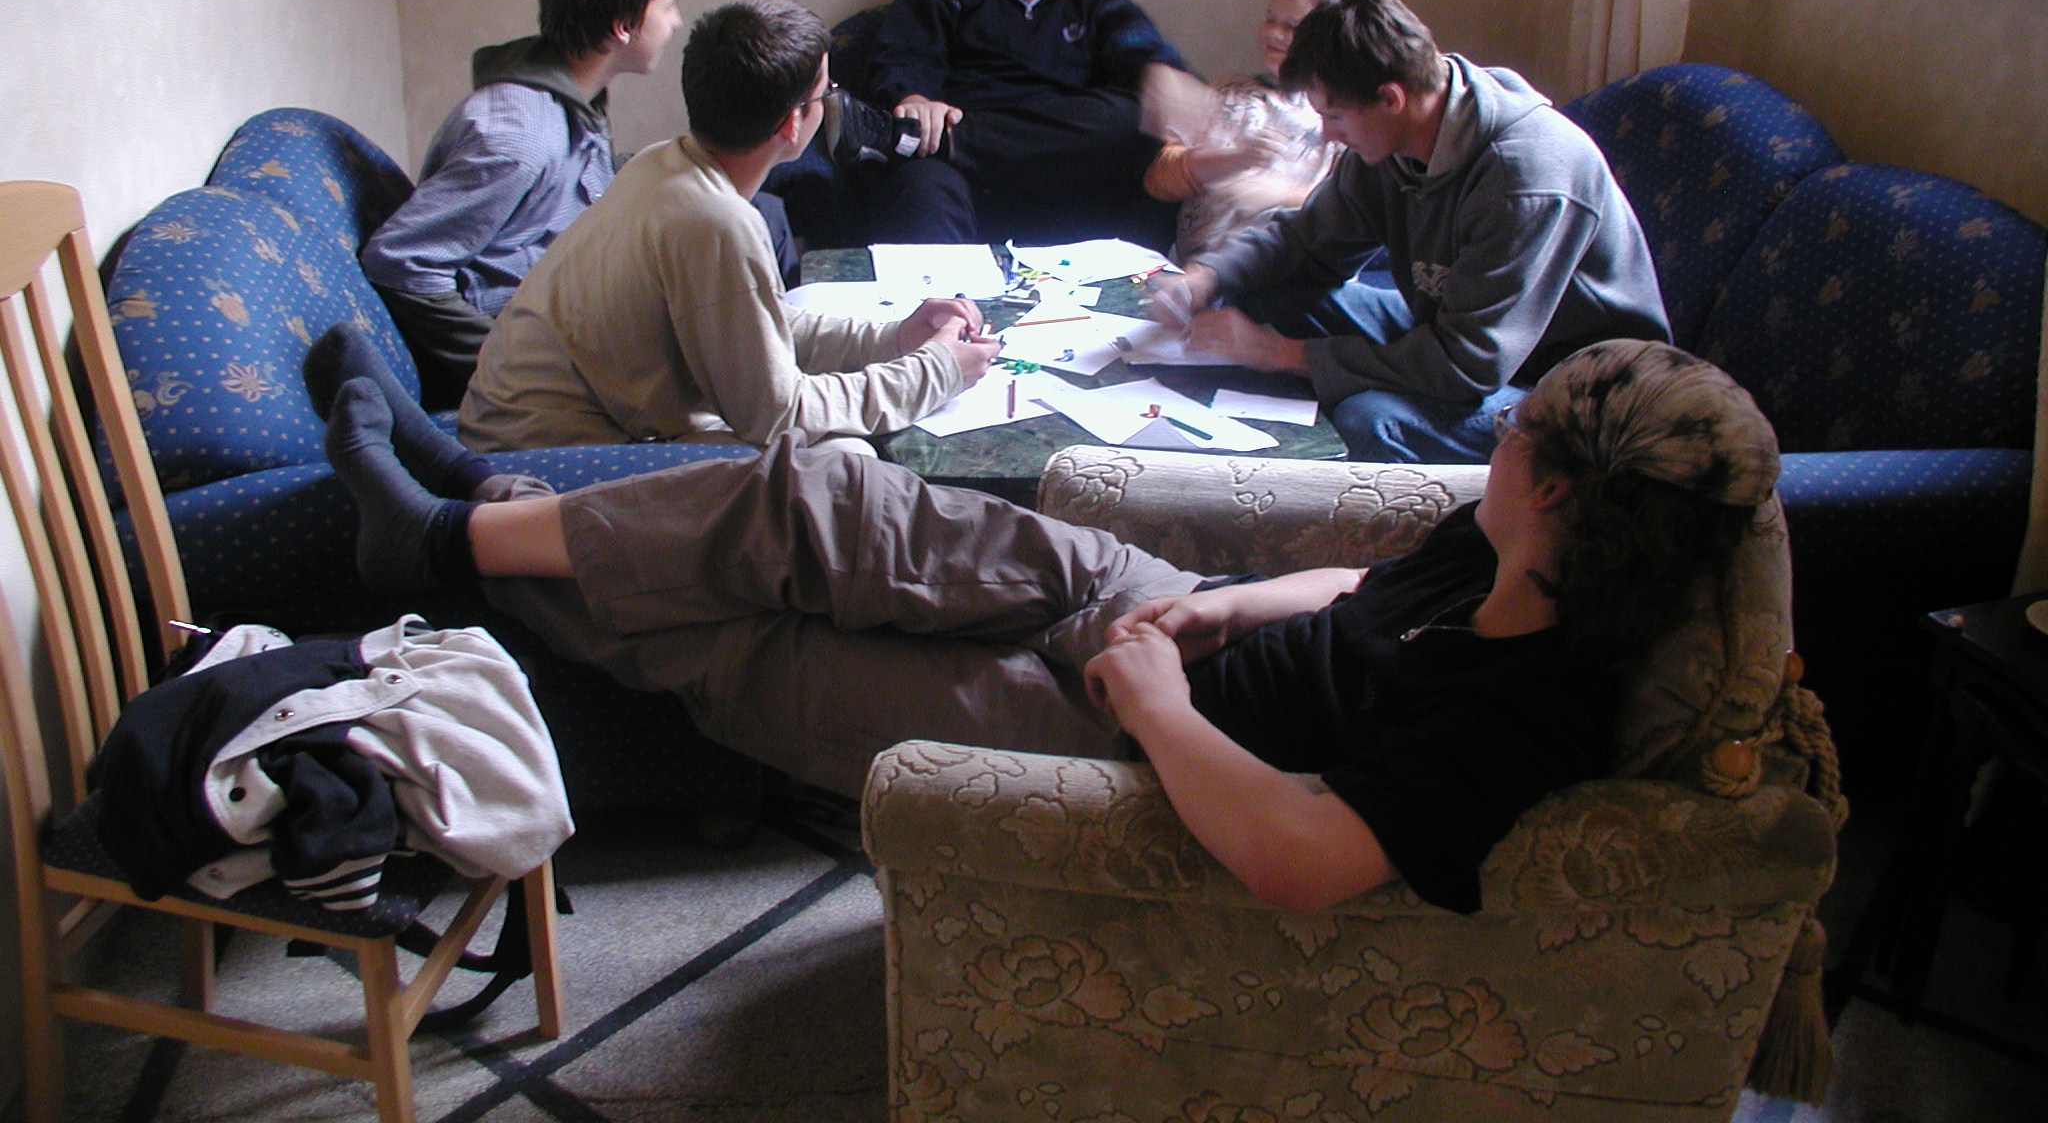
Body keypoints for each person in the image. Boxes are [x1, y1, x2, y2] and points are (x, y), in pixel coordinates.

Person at [315, 336, 1778, 915]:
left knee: (755, 656)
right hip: (1155, 617)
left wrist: (1159, 709)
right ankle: (465, 524)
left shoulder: (1529, 710)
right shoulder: (1497, 548)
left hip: (1145, 750)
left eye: (1518, 430)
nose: (1498, 437)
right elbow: (1349, 594)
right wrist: (1217, 606)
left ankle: (463, 528)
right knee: (819, 498)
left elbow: (1310, 859)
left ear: (1561, 490)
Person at [1150, 0, 1669, 464]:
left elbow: (1467, 366)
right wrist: (1206, 276)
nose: (1327, 135)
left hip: (1573, 389)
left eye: (1334, 116)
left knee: (1371, 420)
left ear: (1391, 98)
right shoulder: (1393, 140)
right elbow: (1304, 239)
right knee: (1264, 292)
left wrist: (1281, 354)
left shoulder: (1526, 177)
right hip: (1452, 328)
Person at [455, 0, 999, 454]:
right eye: (827, 91)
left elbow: (758, 325)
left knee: (838, 453)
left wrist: (895, 338)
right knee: (845, 461)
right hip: (545, 453)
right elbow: (778, 414)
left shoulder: (662, 161)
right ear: (792, 122)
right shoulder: (716, 221)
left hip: (517, 426)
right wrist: (939, 371)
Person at [359, 0, 685, 409]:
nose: (676, 22)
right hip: (525, 369)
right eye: (667, 6)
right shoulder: (520, 138)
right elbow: (402, 263)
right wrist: (511, 366)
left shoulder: (576, 99)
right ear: (623, 26)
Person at [839, 0, 1190, 247]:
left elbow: (1149, 59)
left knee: (1135, 115)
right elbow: (904, 58)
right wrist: (914, 99)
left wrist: (1168, 82)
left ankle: (953, 140)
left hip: (1064, 166)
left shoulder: (1098, 1)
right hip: (963, 179)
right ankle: (943, 292)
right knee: (920, 183)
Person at [1143, 0, 1353, 263]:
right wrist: (1232, 161)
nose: (1274, 34)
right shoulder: (1228, 92)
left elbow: (1352, 207)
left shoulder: (1338, 116)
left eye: (1292, 27)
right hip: (1193, 269)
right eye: (1270, 19)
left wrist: (1282, 194)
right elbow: (1158, 182)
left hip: (1283, 272)